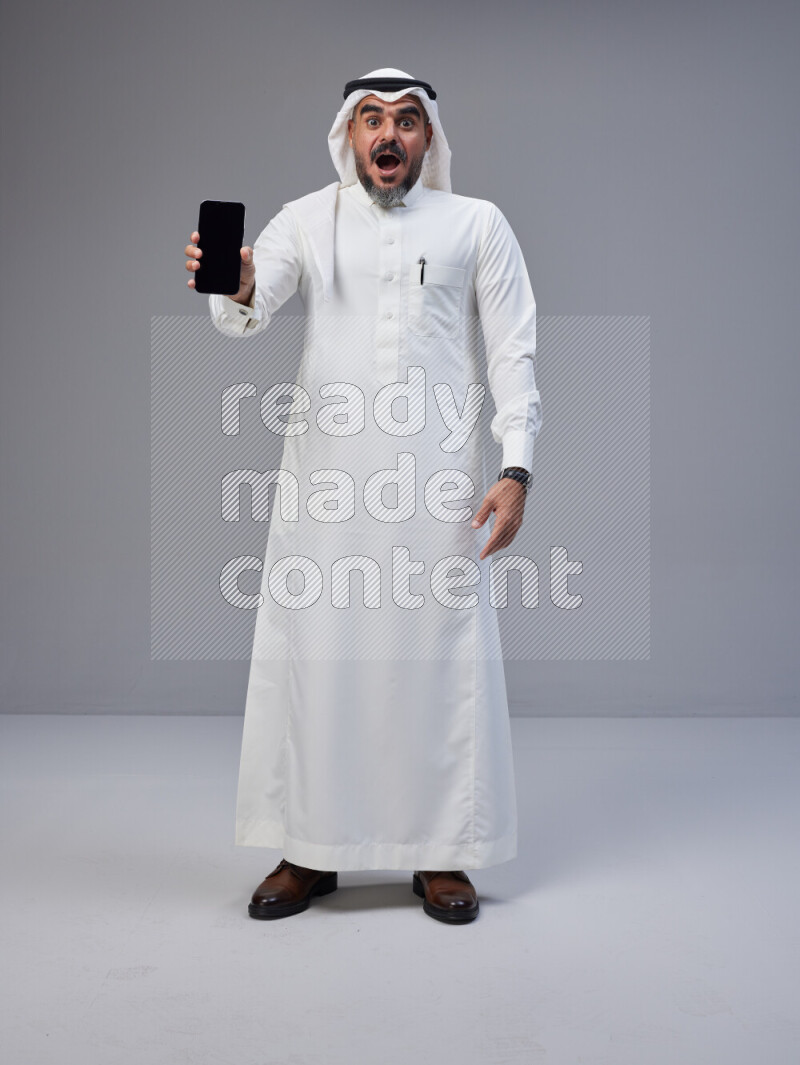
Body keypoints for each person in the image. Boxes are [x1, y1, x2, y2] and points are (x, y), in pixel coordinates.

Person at [183, 67, 542, 924]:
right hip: (329, 488)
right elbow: (251, 300)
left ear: (429, 138)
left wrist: (516, 467)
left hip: (440, 487)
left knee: (436, 663)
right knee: (320, 660)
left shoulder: (477, 225)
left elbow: (514, 350)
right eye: (372, 120)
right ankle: (310, 849)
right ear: (348, 135)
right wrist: (231, 280)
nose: (389, 135)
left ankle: (441, 850)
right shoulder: (308, 218)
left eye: (407, 121)